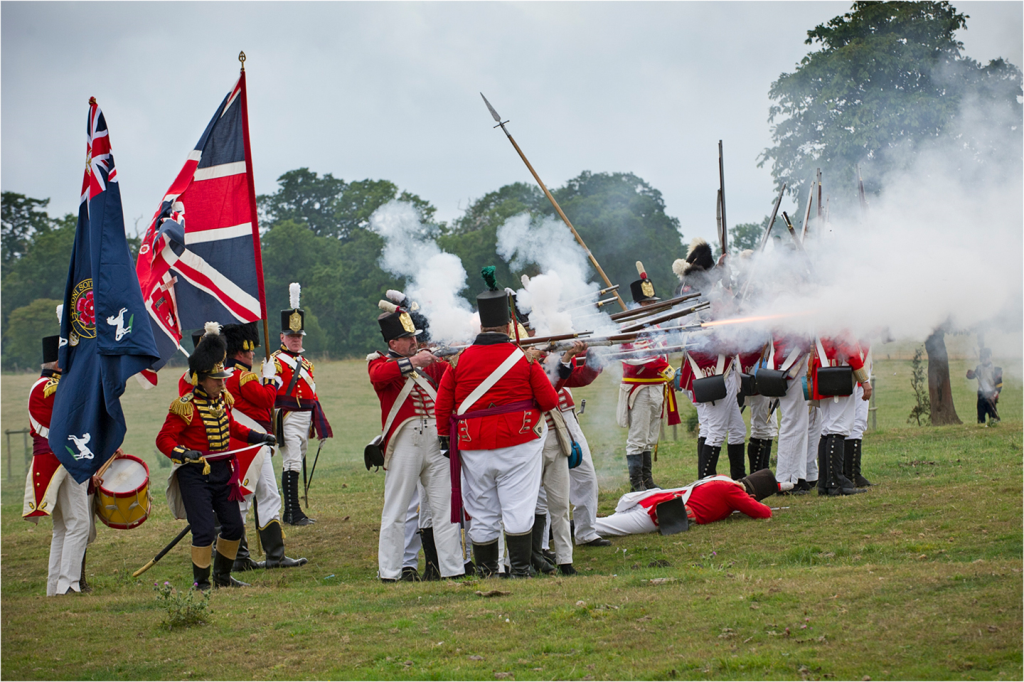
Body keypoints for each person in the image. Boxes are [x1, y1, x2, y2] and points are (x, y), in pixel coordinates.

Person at [435, 267, 559, 578]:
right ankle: (519, 570)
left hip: (472, 443)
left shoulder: (458, 361)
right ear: (507, 325)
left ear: (481, 325)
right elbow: (549, 402)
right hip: (519, 443)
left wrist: (445, 439)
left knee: (482, 511)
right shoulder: (525, 359)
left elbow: (442, 406)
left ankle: (488, 570)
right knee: (518, 507)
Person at [157, 323, 277, 590]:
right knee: (203, 531)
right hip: (194, 474)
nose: (223, 382)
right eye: (217, 378)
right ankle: (201, 583)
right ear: (201, 378)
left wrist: (259, 437)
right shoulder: (184, 406)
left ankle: (223, 578)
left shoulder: (223, 400)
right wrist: (183, 454)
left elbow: (232, 427)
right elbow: (163, 439)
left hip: (223, 472)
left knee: (234, 527)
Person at [368, 300, 464, 582]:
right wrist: (413, 362)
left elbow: (450, 374)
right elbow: (379, 377)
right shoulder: (379, 361)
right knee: (396, 508)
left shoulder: (427, 363)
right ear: (394, 342)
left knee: (445, 508)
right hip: (405, 441)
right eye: (409, 338)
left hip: (435, 440)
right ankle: (390, 571)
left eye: (415, 337)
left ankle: (453, 568)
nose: (415, 341)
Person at [220, 322, 307, 570]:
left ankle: (257, 556)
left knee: (260, 496)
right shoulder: (243, 376)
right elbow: (268, 399)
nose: (253, 354)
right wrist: (269, 378)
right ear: (241, 350)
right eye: (250, 350)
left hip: (249, 442)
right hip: (252, 444)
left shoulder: (230, 375)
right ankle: (250, 557)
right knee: (254, 498)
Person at [23, 330, 96, 596]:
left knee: (64, 526)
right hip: (64, 458)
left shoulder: (47, 385)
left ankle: (56, 585)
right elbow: (75, 419)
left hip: (56, 459)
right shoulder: (51, 387)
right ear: (58, 362)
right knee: (78, 523)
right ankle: (68, 584)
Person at [271, 283, 332, 525]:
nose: (295, 340)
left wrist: (320, 423)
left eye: (298, 336)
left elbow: (312, 395)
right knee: (293, 462)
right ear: (282, 337)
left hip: (305, 418)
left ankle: (294, 511)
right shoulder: (275, 360)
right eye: (291, 336)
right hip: (286, 417)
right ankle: (291, 513)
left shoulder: (306, 364)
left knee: (297, 460)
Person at [617, 261, 676, 491]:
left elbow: (662, 352)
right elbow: (642, 357)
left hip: (657, 387)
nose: (652, 306)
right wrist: (671, 373)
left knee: (650, 438)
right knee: (638, 437)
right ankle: (636, 484)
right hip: (639, 388)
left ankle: (647, 480)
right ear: (639, 304)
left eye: (652, 302)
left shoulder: (654, 325)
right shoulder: (630, 326)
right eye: (648, 303)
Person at [594, 469, 782, 537]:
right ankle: (569, 529)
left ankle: (574, 529)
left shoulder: (723, 479)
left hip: (657, 500)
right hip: (663, 511)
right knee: (605, 527)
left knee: (608, 523)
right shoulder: (733, 491)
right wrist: (750, 502)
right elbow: (764, 513)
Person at [810, 334, 871, 496]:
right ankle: (835, 481)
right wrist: (864, 380)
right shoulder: (840, 317)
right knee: (838, 428)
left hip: (824, 372)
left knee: (828, 429)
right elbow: (849, 349)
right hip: (838, 374)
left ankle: (824, 482)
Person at [966, 348, 1002, 425]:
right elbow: (973, 376)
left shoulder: (996, 370)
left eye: (986, 357)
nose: (984, 360)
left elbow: (999, 385)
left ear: (989, 357)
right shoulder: (979, 368)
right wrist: (970, 375)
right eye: (983, 358)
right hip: (981, 394)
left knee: (992, 415)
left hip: (991, 394)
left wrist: (994, 395)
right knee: (981, 414)